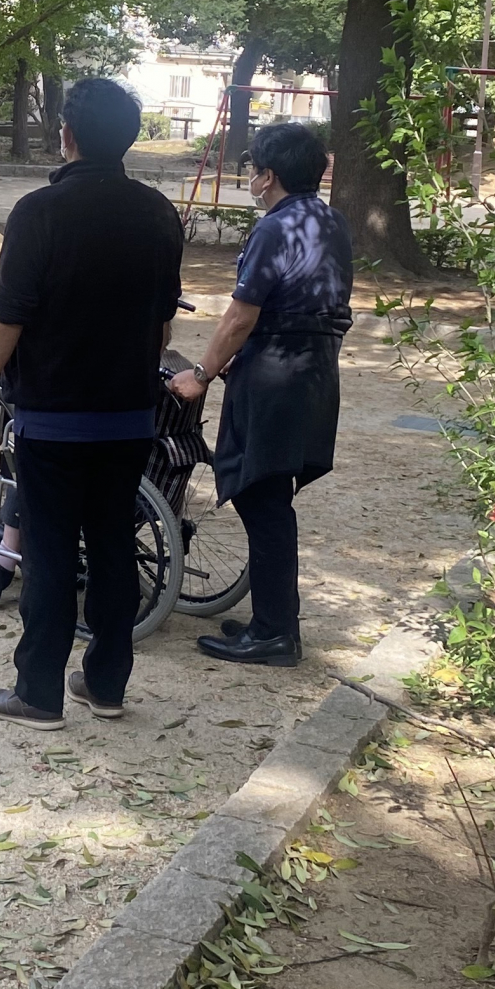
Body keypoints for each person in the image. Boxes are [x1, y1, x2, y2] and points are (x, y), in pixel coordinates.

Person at [0, 77, 183, 726]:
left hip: (53, 412)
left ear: (68, 135)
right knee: (113, 545)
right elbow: (163, 320)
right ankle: (107, 684)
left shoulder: (40, 212)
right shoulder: (159, 215)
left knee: (50, 550)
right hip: (129, 412)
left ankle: (38, 692)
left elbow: (8, 315)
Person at [166, 118, 352, 665]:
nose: (250, 177)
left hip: (274, 375)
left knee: (261, 496)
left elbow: (240, 317)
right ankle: (274, 618)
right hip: (316, 372)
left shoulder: (275, 228)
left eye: (253, 168)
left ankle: (275, 632)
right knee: (270, 496)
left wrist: (201, 373)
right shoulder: (332, 221)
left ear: (268, 176)